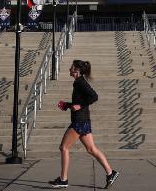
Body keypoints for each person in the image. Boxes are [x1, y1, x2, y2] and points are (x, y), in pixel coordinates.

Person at [49, 60, 119, 189]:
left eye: (71, 67)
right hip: (83, 121)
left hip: (79, 122)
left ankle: (63, 179)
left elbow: (94, 96)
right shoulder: (78, 83)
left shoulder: (81, 82)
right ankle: (110, 173)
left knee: (63, 148)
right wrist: (68, 105)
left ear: (76, 71)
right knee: (91, 149)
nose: (69, 69)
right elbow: (79, 102)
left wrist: (79, 105)